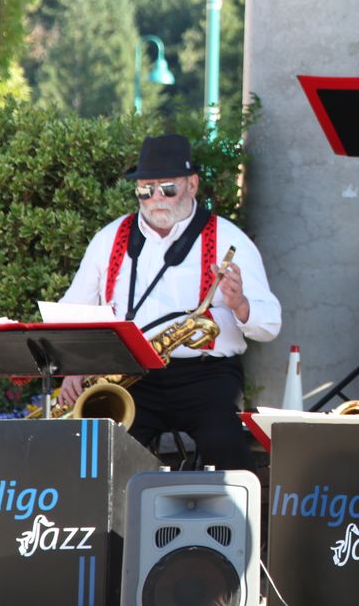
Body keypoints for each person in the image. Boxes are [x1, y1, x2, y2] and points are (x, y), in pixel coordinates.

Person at [59, 134, 281, 471]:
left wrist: (240, 304)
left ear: (192, 185)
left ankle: (239, 506)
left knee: (225, 445)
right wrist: (75, 368)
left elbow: (270, 324)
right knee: (97, 461)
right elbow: (75, 312)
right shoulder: (109, 238)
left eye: (167, 188)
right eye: (146, 190)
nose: (156, 198)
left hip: (206, 377)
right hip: (132, 376)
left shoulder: (228, 239)